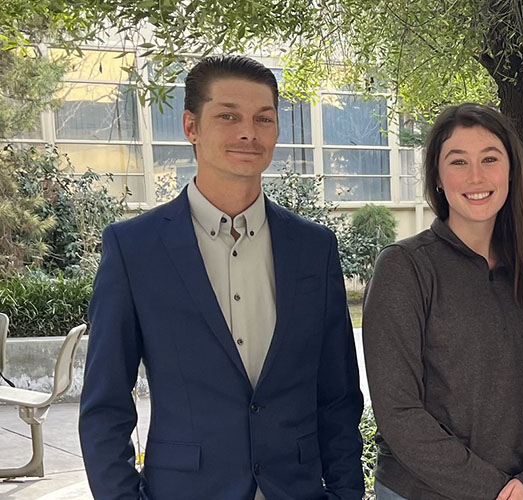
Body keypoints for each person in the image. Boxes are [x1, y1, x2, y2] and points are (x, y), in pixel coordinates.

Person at [79, 55, 364, 500]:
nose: (248, 131)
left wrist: (345, 493)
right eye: (228, 115)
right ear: (191, 126)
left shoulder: (314, 247)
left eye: (263, 118)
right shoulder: (134, 248)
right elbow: (106, 406)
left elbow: (339, 394)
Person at [361, 103, 523, 500]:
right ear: (438, 178)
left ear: (510, 170)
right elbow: (398, 413)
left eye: (490, 159)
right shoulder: (406, 268)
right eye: (458, 161)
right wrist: (496, 491)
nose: (476, 176)